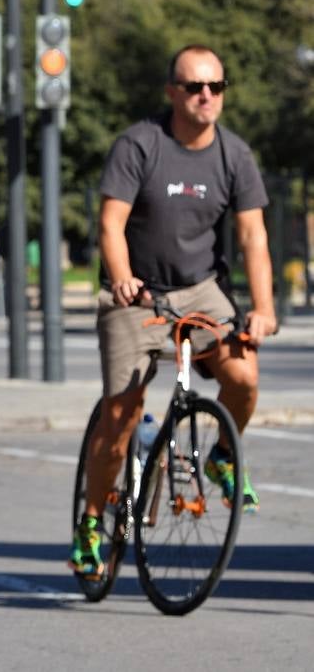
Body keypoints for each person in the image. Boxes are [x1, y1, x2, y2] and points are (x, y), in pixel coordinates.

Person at [71, 44, 277, 578]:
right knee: (120, 415)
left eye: (215, 87)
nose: (206, 96)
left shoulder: (235, 155)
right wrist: (121, 278)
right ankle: (92, 524)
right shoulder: (140, 145)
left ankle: (223, 458)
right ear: (172, 93)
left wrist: (264, 308)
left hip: (201, 290)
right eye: (193, 87)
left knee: (245, 377)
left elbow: (254, 236)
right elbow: (111, 223)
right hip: (136, 293)